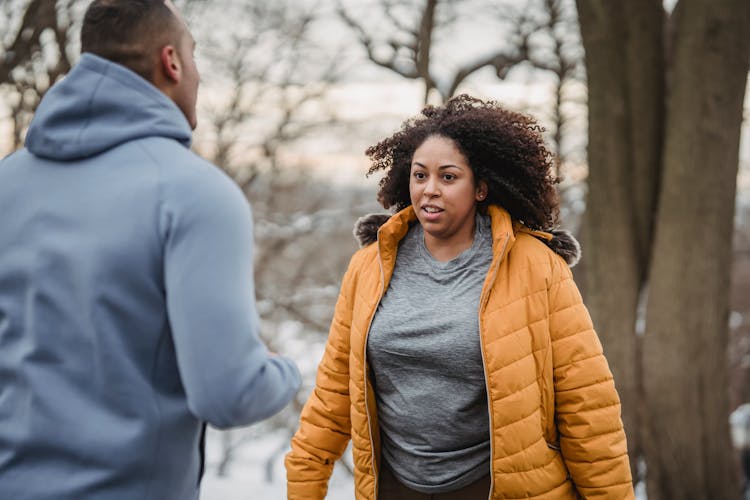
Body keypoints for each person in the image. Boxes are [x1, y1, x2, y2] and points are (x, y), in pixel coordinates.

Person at [0, 1, 301, 499]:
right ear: (171, 62)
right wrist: (283, 370)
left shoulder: (6, 180)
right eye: (195, 56)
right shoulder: (196, 194)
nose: (198, 75)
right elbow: (230, 394)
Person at [285, 94, 634, 499]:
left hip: (495, 488)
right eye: (420, 176)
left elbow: (586, 404)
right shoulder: (369, 266)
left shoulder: (535, 266)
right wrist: (304, 484)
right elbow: (332, 395)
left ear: (481, 187)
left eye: (448, 177)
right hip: (394, 488)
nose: (429, 190)